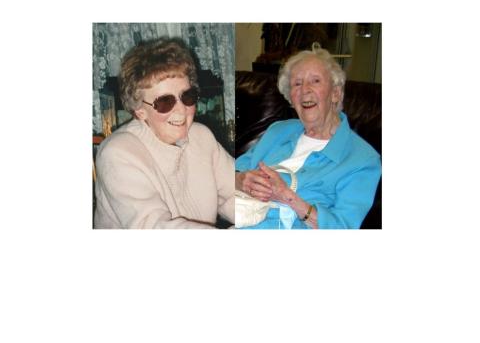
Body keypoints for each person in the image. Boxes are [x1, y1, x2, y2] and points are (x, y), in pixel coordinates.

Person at [94, 38, 235, 229]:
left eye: (187, 96)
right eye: (165, 102)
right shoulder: (117, 153)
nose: (181, 110)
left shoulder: (202, 136)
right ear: (139, 110)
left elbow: (232, 196)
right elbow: (153, 227)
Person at [235, 47, 381, 229]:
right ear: (291, 98)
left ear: (335, 93)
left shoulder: (362, 160)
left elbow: (343, 227)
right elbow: (230, 172)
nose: (305, 90)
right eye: (297, 84)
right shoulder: (278, 131)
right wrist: (240, 180)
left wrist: (288, 197)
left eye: (315, 81)